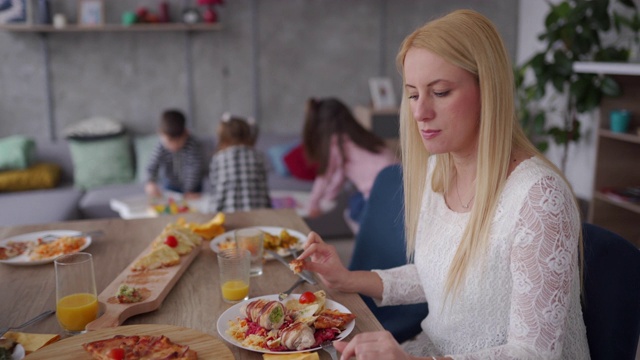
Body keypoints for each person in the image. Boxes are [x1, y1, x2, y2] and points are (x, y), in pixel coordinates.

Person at [297, 9, 590, 360]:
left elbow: (534, 353)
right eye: (412, 94)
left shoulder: (539, 197)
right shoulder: (439, 170)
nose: (420, 113)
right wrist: (346, 279)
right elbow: (435, 275)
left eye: (439, 92)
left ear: (489, 91)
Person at [302, 97, 398, 227]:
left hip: (378, 194)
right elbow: (339, 177)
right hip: (398, 186)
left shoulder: (336, 142)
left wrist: (313, 204)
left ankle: (365, 244)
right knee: (355, 205)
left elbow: (325, 177)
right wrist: (328, 198)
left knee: (353, 214)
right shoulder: (361, 136)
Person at [208, 113, 271, 212]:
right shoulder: (259, 156)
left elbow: (216, 193)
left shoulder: (218, 158)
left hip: (229, 216)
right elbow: (263, 189)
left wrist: (211, 213)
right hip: (257, 214)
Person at [145, 109, 205, 200]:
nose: (174, 146)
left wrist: (189, 190)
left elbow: (194, 169)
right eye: (169, 141)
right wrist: (150, 182)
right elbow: (152, 166)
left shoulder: (192, 145)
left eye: (178, 141)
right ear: (160, 134)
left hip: (192, 187)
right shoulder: (161, 147)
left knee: (193, 208)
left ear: (186, 133)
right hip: (170, 185)